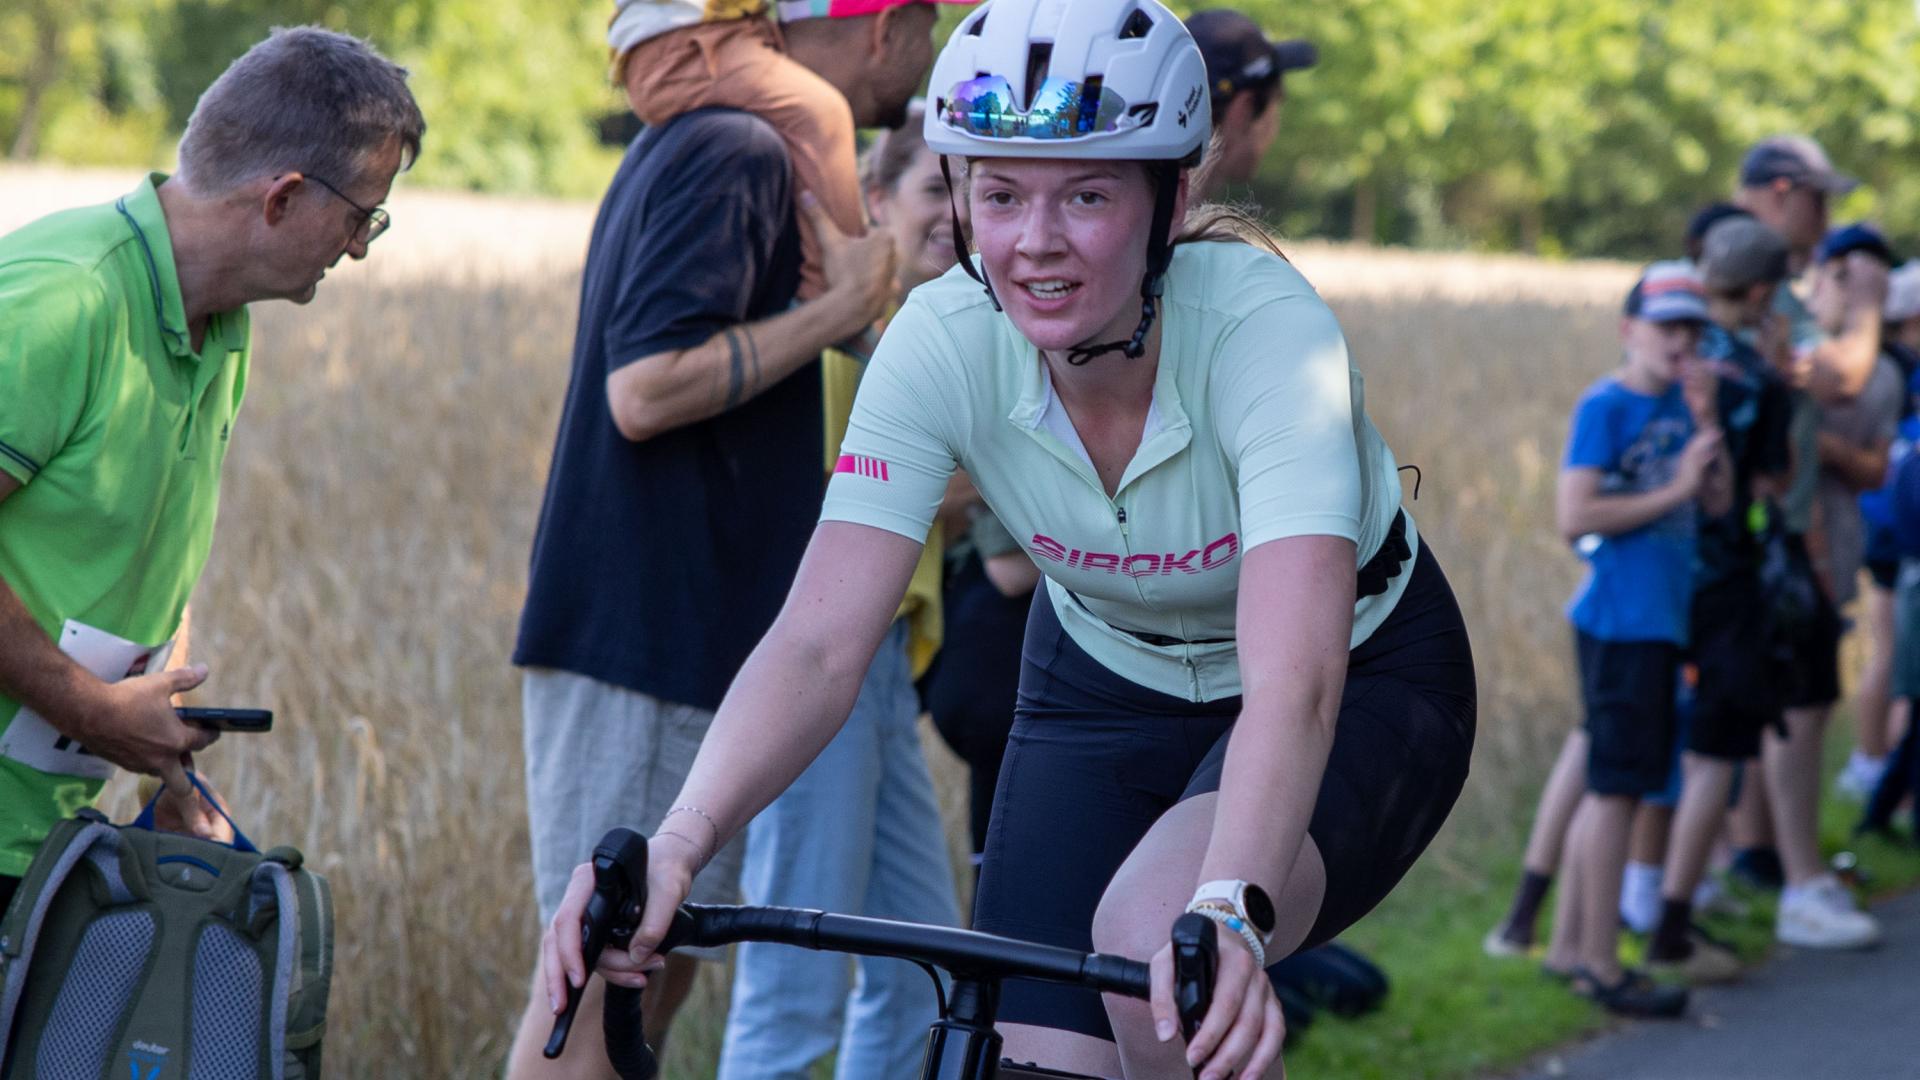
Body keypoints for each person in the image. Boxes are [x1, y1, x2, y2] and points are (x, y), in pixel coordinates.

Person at [548, 2, 1477, 1076]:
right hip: (1102, 679)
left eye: (1087, 194)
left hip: (1354, 676)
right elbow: (816, 642)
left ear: (1172, 198)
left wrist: (1227, 905)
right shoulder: (943, 339)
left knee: (1153, 953)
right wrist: (677, 845)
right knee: (1025, 1060)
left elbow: (1295, 682)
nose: (1036, 242)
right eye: (998, 195)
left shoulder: (1267, 335)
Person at [505, 4, 938, 1074]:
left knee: (645, 974)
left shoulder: (723, 139)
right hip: (649, 639)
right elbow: (644, 392)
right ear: (891, 26)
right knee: (601, 983)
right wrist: (837, 318)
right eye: (931, 31)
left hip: (682, 644)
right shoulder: (736, 150)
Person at [0, 27, 423, 910]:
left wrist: (164, 723)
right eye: (361, 217)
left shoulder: (224, 323)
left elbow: (154, 541)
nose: (358, 250)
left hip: (38, 834)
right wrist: (91, 710)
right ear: (283, 197)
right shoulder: (65, 299)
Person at [715, 97, 961, 1080]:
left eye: (975, 193)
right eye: (935, 189)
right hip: (825, 669)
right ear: (876, 199)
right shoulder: (849, 348)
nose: (958, 215)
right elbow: (830, 518)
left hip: (884, 673)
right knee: (794, 982)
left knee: (920, 964)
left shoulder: (927, 335)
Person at [1541, 262, 1729, 1017]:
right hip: (1621, 621)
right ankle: (1598, 963)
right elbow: (1574, 516)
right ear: (1629, 332)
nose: (1679, 342)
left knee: (1617, 784)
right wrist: (1675, 490)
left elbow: (1716, 502)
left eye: (1692, 328)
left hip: (1661, 620)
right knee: (1617, 790)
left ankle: (1569, 951)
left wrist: (1708, 423)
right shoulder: (1606, 405)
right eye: (1665, 327)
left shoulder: (1689, 405)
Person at [1723, 137, 1890, 909]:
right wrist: (1866, 304)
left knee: (1770, 696)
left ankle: (1753, 856)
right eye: (1819, 200)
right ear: (1783, 192)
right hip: (1762, 535)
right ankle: (1793, 878)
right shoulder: (1755, 275)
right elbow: (1840, 377)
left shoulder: (1765, 274)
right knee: (1794, 696)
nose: (1827, 219)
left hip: (1767, 529)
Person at [1639, 216, 1795, 978]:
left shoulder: (1676, 360)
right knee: (1713, 758)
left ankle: (1623, 904)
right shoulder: (1758, 381)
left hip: (1658, 573)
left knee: (1640, 745)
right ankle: (1673, 923)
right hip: (1729, 584)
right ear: (1765, 291)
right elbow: (1772, 484)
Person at [1184, 8, 1317, 200]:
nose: (1274, 131)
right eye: (1276, 103)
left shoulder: (1144, 206)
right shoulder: (1176, 225)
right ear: (1244, 110)